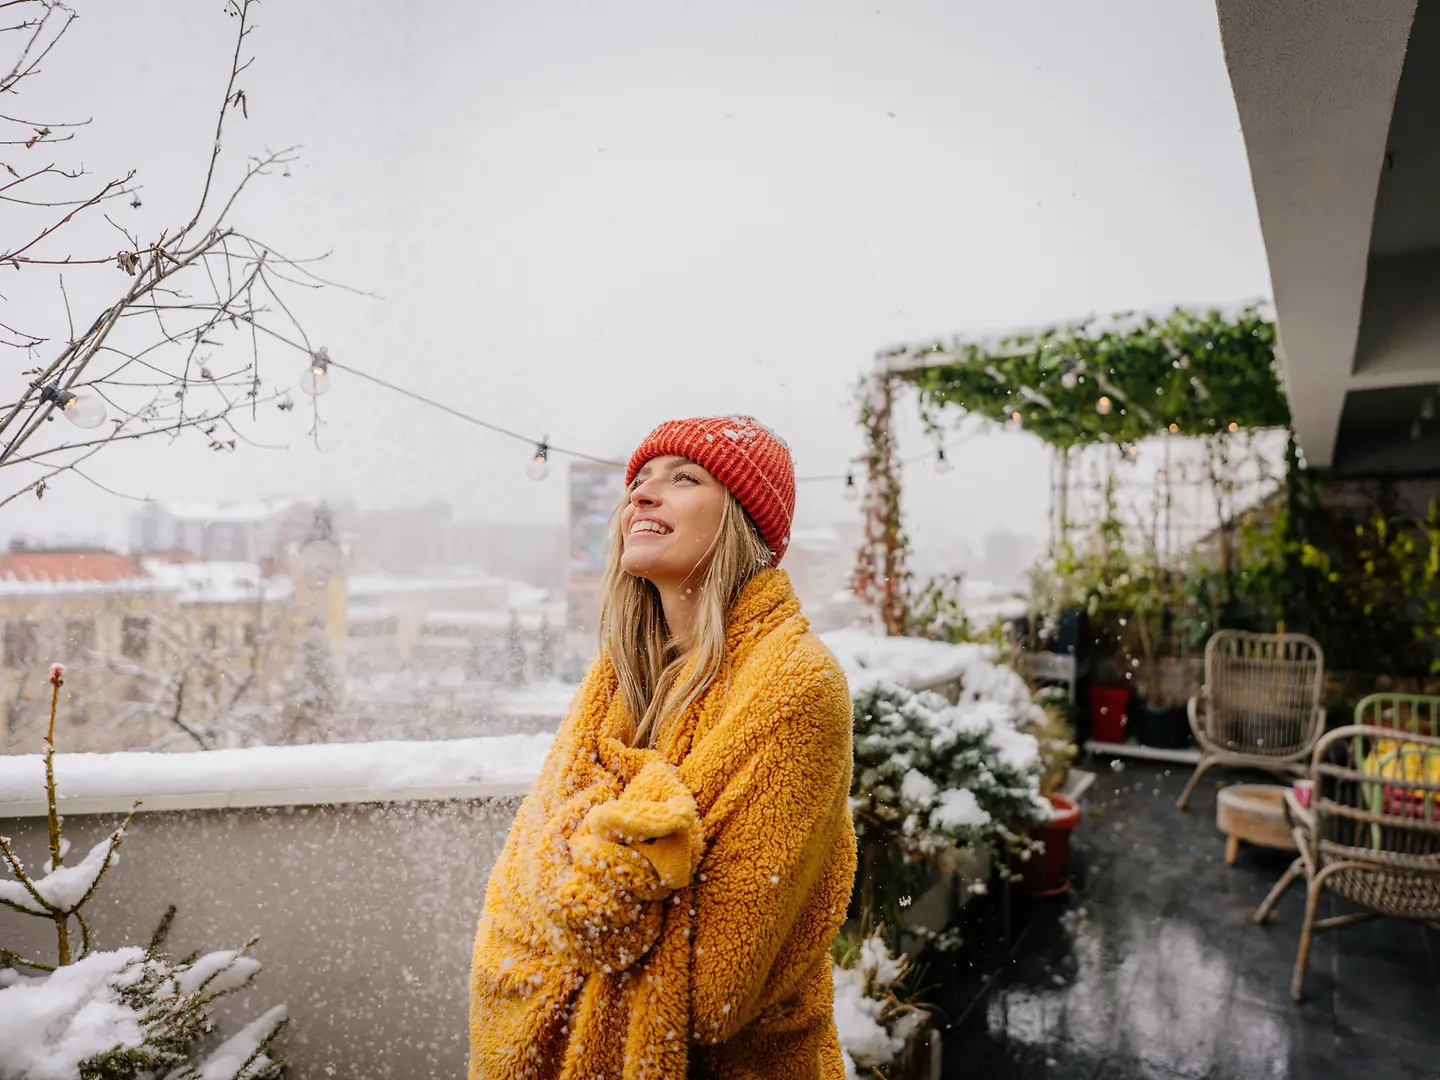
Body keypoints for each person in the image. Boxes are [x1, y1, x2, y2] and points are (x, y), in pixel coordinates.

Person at [469, 415, 857, 1080]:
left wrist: (595, 890)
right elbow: (516, 896)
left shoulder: (798, 686)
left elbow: (713, 992)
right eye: (640, 480)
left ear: (744, 521)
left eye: (684, 478)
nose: (642, 495)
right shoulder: (620, 681)